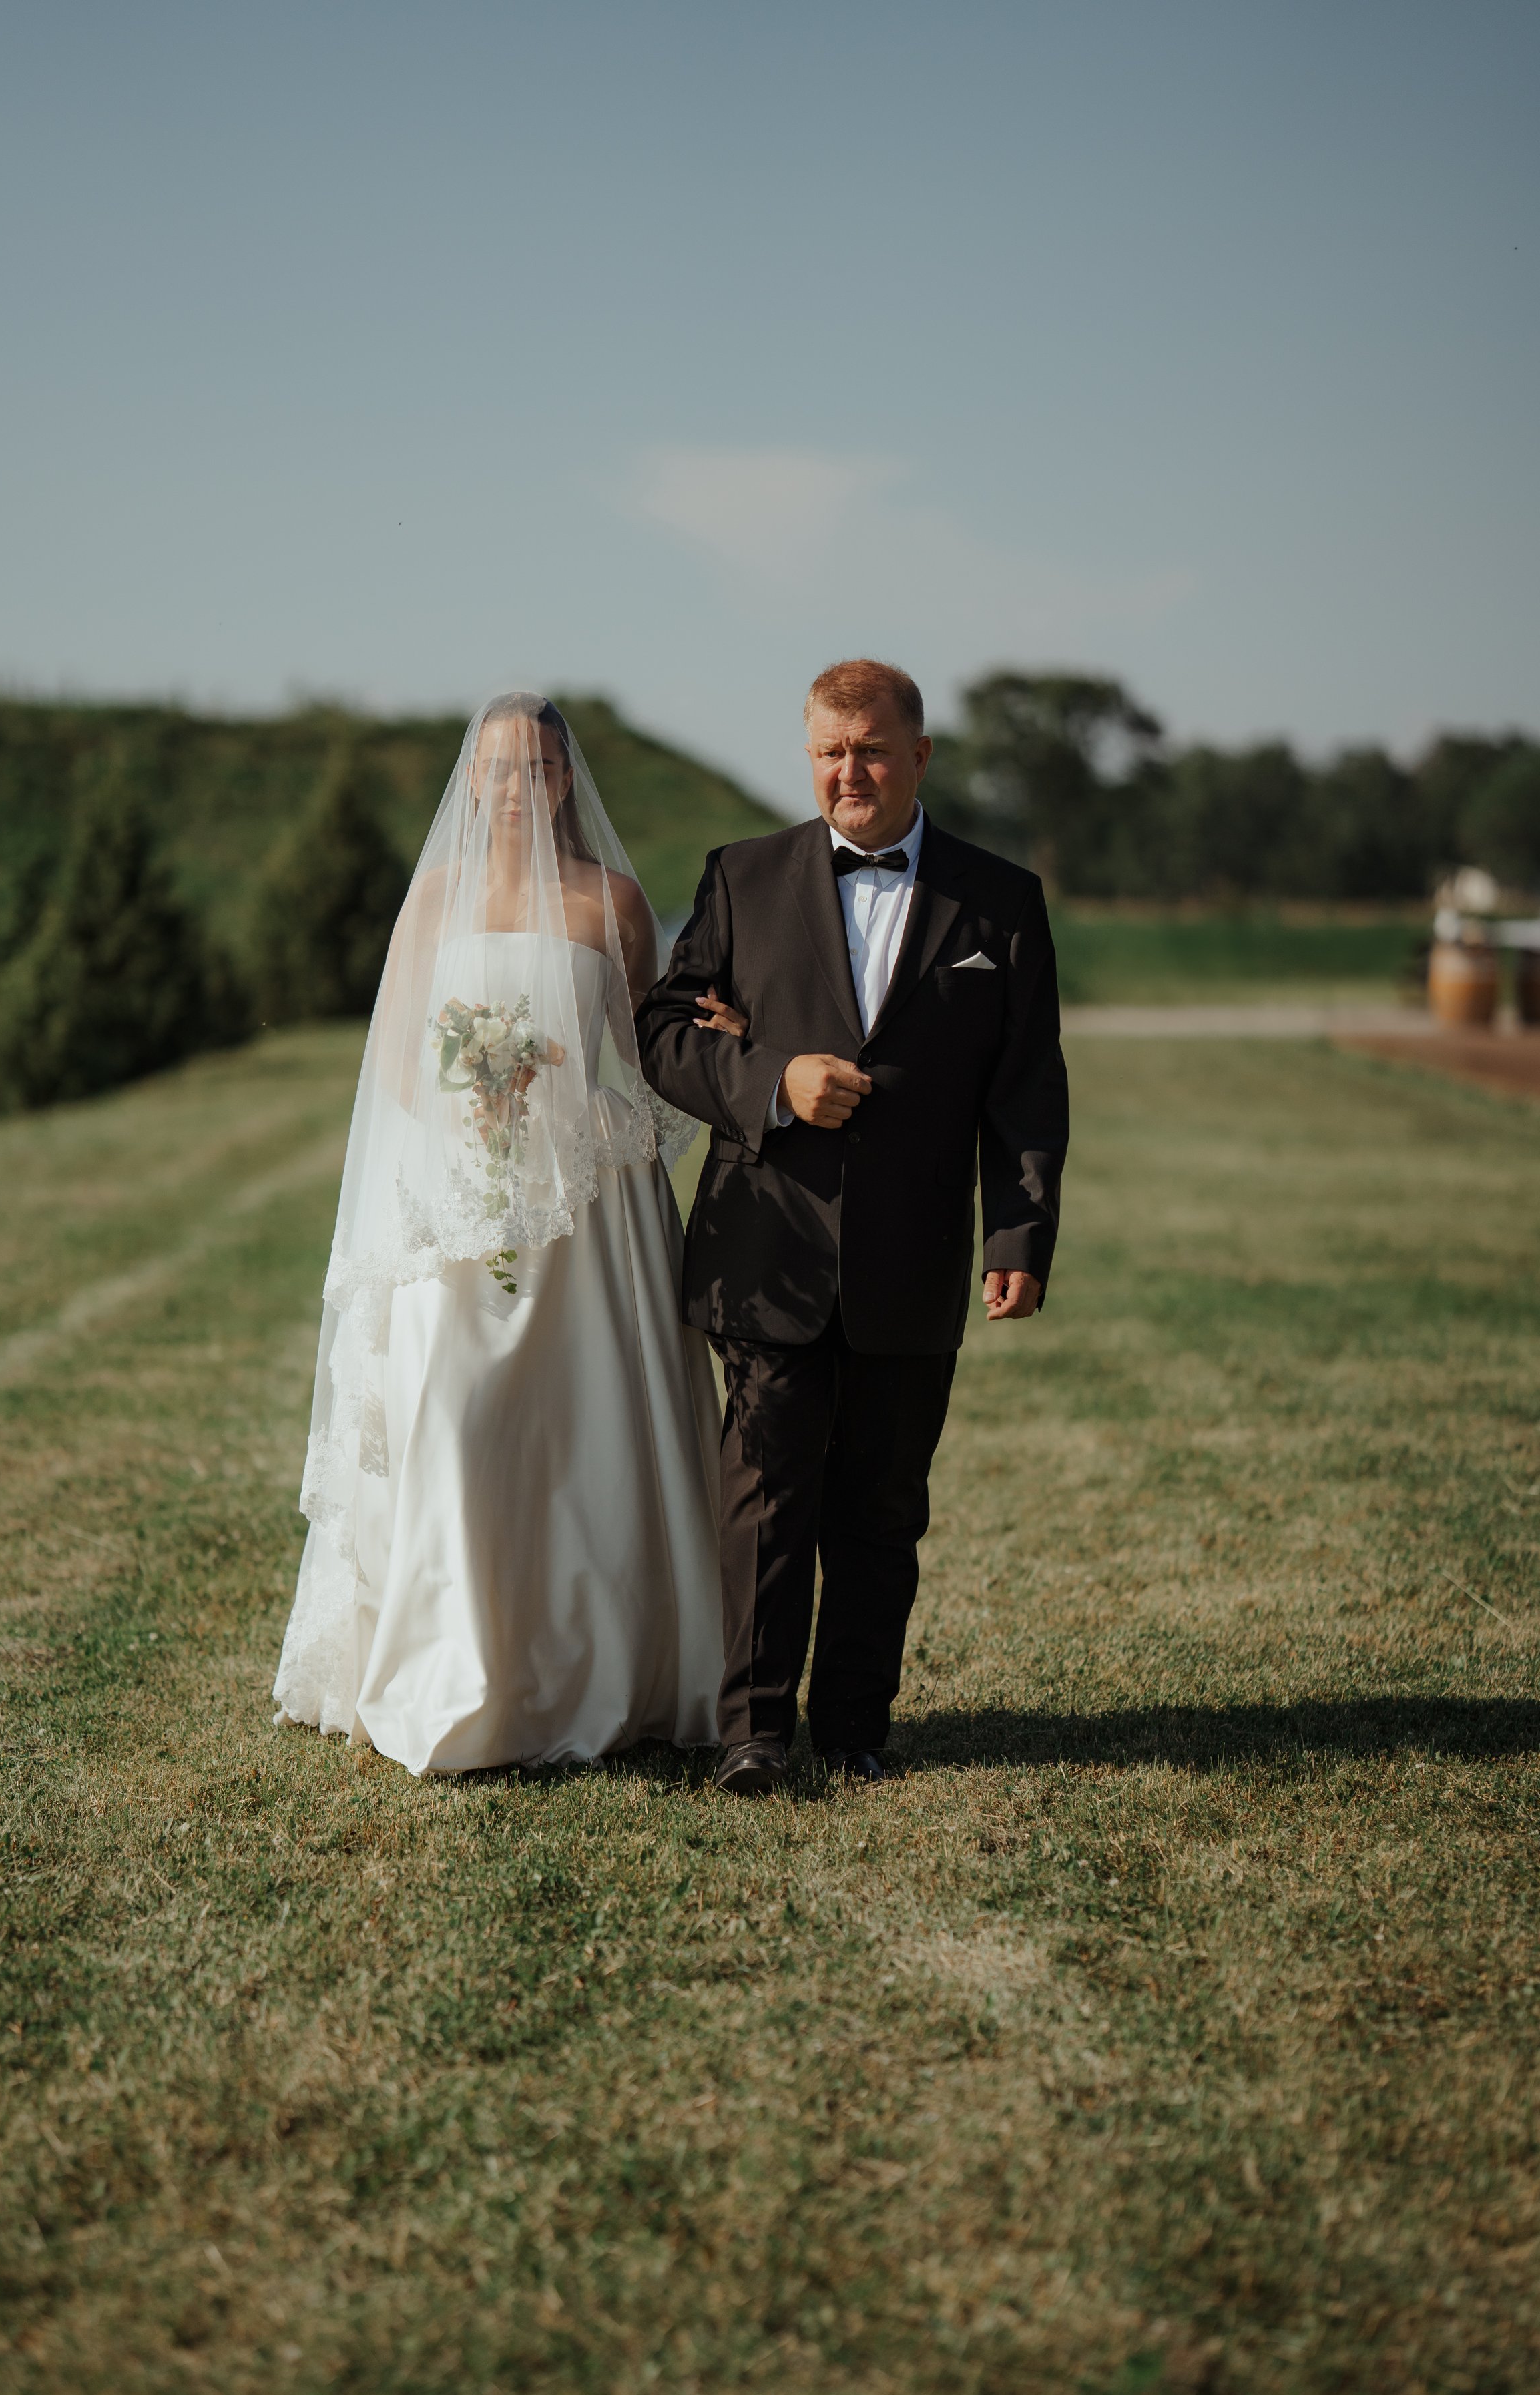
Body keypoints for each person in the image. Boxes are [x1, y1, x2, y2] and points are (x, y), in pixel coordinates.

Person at [636, 658, 1069, 1796]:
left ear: (919, 755)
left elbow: (1026, 1090)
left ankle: (858, 1724)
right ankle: (753, 1733)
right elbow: (666, 1031)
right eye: (830, 750)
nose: (849, 771)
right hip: (766, 1247)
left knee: (882, 1502)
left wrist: (1018, 1238)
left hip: (913, 1259)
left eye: (872, 749)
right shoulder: (743, 876)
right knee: (766, 1493)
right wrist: (776, 1078)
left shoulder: (1001, 902)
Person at [272, 695, 726, 1773]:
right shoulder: (435, 898)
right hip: (462, 1206)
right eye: (496, 770)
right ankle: (459, 1667)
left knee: (587, 1436)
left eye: (537, 769)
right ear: (472, 782)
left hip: (586, 1217)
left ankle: (608, 1669)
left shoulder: (611, 899)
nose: (515, 788)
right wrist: (467, 1120)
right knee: (462, 1422)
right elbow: (394, 1054)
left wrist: (712, 1038)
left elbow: (637, 1043)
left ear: (567, 781)